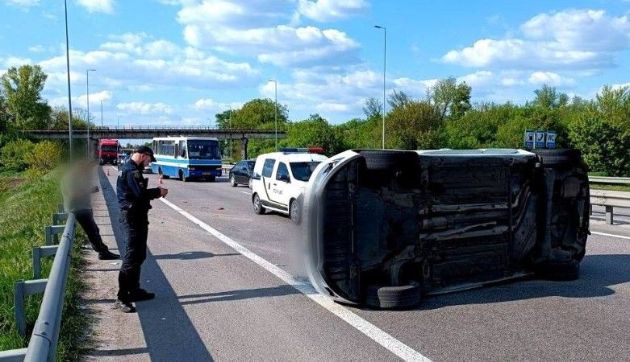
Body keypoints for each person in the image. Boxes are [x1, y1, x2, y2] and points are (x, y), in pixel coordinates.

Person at [115, 146, 168, 313]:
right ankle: (122, 297)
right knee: (131, 257)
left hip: (137, 217)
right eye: (149, 160)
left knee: (139, 255)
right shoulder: (131, 171)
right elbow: (140, 194)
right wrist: (159, 192)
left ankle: (134, 290)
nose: (149, 163)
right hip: (132, 218)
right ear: (144, 156)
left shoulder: (129, 168)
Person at [61, 160, 119, 260]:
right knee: (92, 232)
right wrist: (90, 190)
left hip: (82, 208)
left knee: (95, 230)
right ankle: (103, 252)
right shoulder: (71, 178)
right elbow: (73, 193)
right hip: (78, 209)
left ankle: (102, 251)